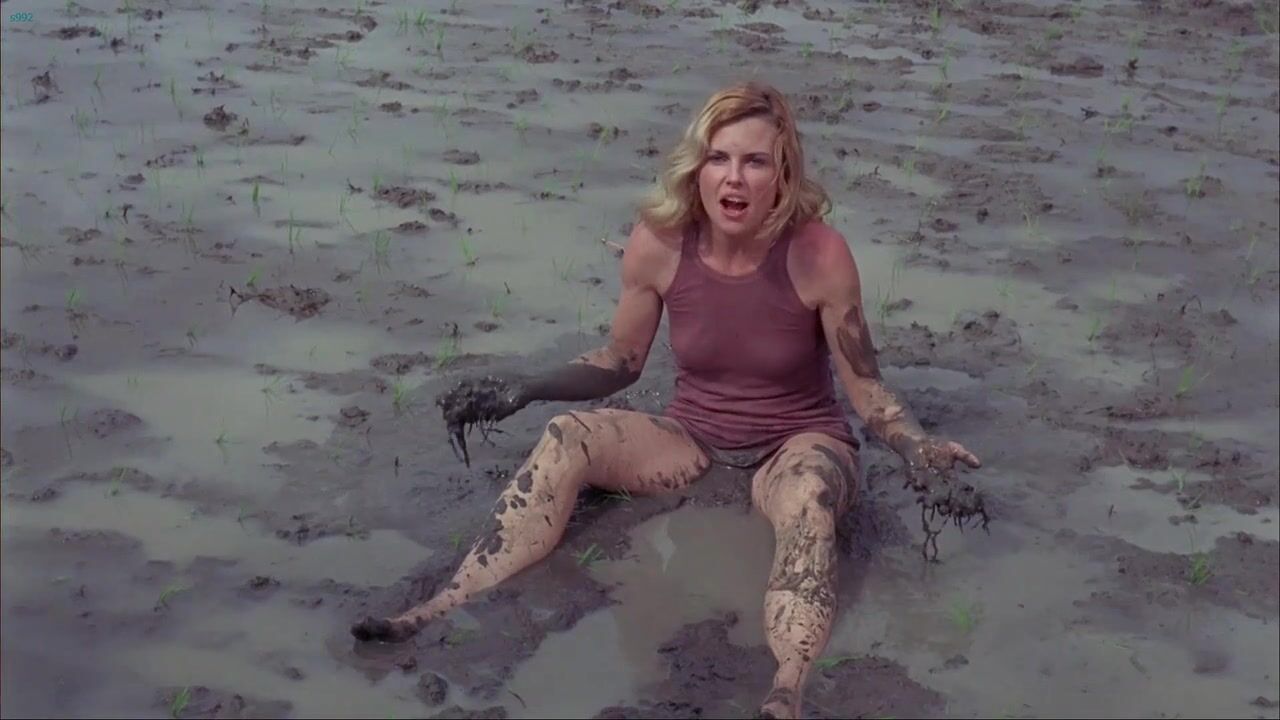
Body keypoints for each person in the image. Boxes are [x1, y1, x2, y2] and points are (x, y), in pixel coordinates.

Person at [351, 81, 983, 720]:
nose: (733, 178)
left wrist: (916, 445)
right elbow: (621, 361)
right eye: (718, 158)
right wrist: (527, 388)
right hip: (693, 438)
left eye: (754, 161)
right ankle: (439, 606)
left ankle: (786, 689)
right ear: (696, 166)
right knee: (567, 434)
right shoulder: (659, 241)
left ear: (783, 173)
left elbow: (867, 388)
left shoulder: (819, 253)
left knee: (807, 496)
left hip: (797, 442)